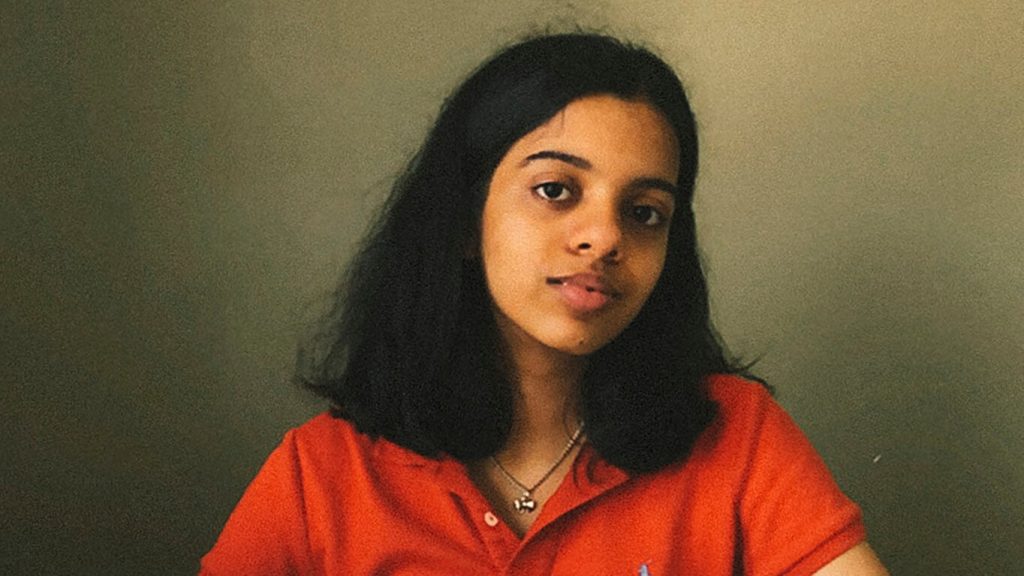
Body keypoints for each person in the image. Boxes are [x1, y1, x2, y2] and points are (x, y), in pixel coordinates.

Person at [200, 33, 889, 575]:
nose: (605, 238)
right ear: (464, 219)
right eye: (556, 190)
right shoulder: (324, 474)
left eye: (645, 213)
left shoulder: (736, 436)